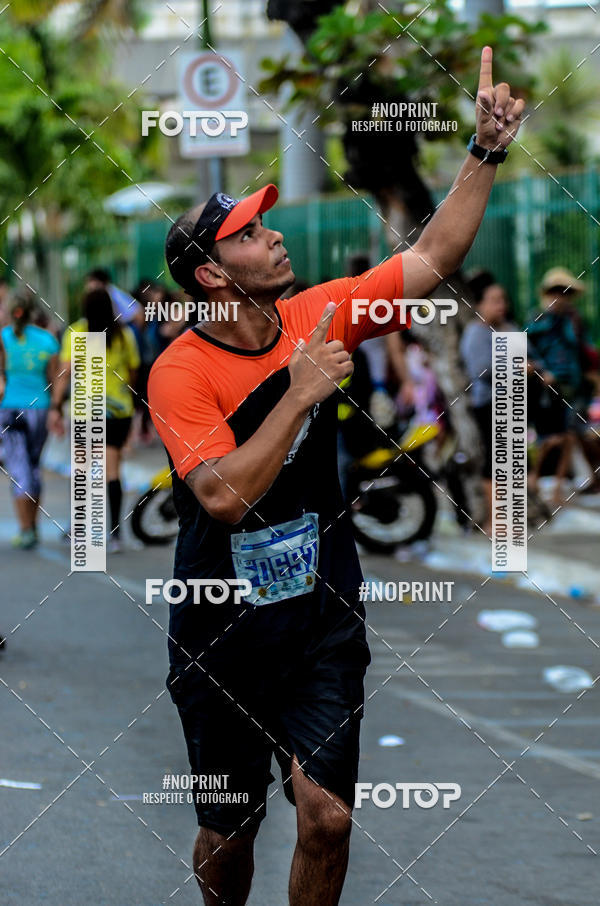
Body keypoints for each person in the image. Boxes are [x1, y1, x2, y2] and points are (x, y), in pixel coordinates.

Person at [147, 47, 523, 906]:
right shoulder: (181, 372)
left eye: (263, 222)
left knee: (327, 819)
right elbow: (221, 496)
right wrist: (300, 393)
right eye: (246, 232)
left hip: (320, 616)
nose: (272, 233)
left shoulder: (319, 311)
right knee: (228, 826)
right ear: (211, 273)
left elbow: (430, 260)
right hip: (222, 627)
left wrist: (486, 153)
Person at [49, 288, 140, 552]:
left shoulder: (76, 332)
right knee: (112, 472)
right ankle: (115, 535)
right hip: (117, 412)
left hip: (86, 412)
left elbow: (64, 374)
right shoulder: (124, 335)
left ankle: (78, 529)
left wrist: (56, 406)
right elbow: (134, 373)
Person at [526, 267, 593, 503]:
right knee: (548, 437)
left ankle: (558, 487)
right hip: (545, 387)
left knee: (569, 434)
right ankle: (534, 477)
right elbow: (526, 350)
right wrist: (543, 371)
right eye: (555, 292)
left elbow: (581, 352)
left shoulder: (573, 321)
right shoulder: (537, 319)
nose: (559, 297)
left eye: (563, 292)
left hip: (571, 385)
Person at [0, 295, 59, 548]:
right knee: (33, 466)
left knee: (18, 468)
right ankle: (32, 526)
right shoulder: (47, 340)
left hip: (10, 408)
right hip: (40, 408)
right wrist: (57, 409)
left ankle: (25, 529)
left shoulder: (3, 337)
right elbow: (55, 378)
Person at [460, 280, 516, 533]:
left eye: (503, 300)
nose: (501, 305)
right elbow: (482, 370)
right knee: (495, 460)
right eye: (494, 300)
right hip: (489, 403)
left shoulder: (510, 329)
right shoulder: (476, 333)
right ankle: (495, 520)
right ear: (479, 304)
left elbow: (532, 357)